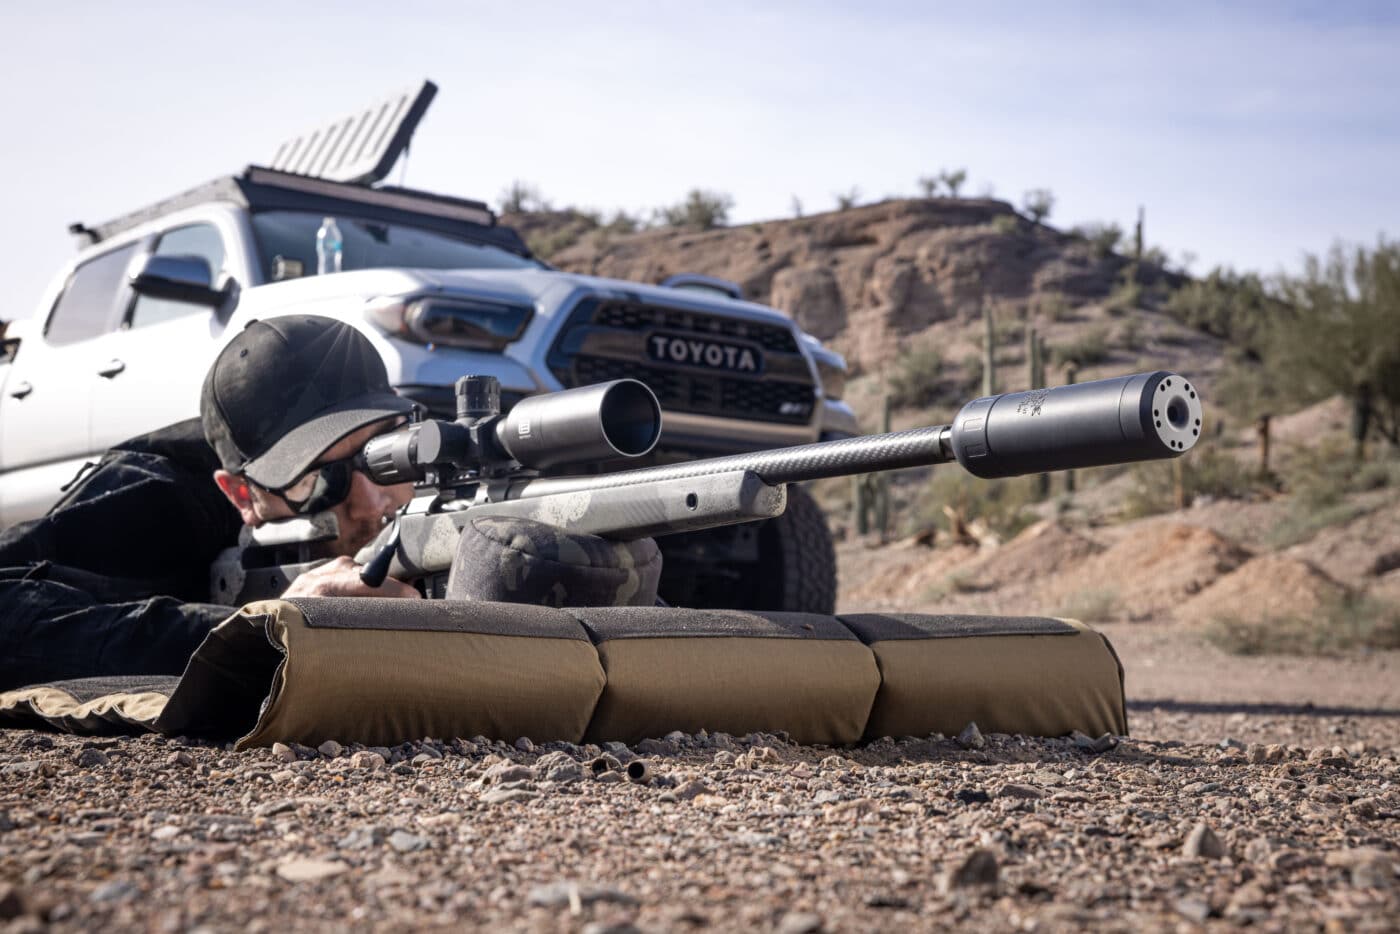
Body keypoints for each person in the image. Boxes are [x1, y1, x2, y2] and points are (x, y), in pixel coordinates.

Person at [0, 315, 420, 691]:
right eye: (319, 479)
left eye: (381, 456)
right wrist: (261, 629)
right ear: (241, 493)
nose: (369, 502)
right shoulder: (157, 499)